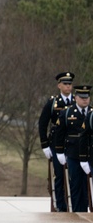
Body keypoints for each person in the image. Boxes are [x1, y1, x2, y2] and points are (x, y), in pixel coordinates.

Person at [39, 72, 75, 212]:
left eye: (70, 84)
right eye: (65, 84)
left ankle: (75, 204)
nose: (68, 86)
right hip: (56, 142)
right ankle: (60, 205)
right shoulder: (53, 102)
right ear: (59, 85)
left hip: (72, 143)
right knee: (59, 175)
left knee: (73, 175)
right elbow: (43, 123)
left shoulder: (76, 101)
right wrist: (44, 145)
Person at [55, 85, 91, 213]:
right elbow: (59, 133)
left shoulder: (91, 113)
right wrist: (59, 151)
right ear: (75, 98)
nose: (85, 100)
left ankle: (88, 212)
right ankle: (77, 212)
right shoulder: (67, 113)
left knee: (88, 187)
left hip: (89, 154)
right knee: (76, 185)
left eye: (87, 97)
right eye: (82, 98)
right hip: (73, 154)